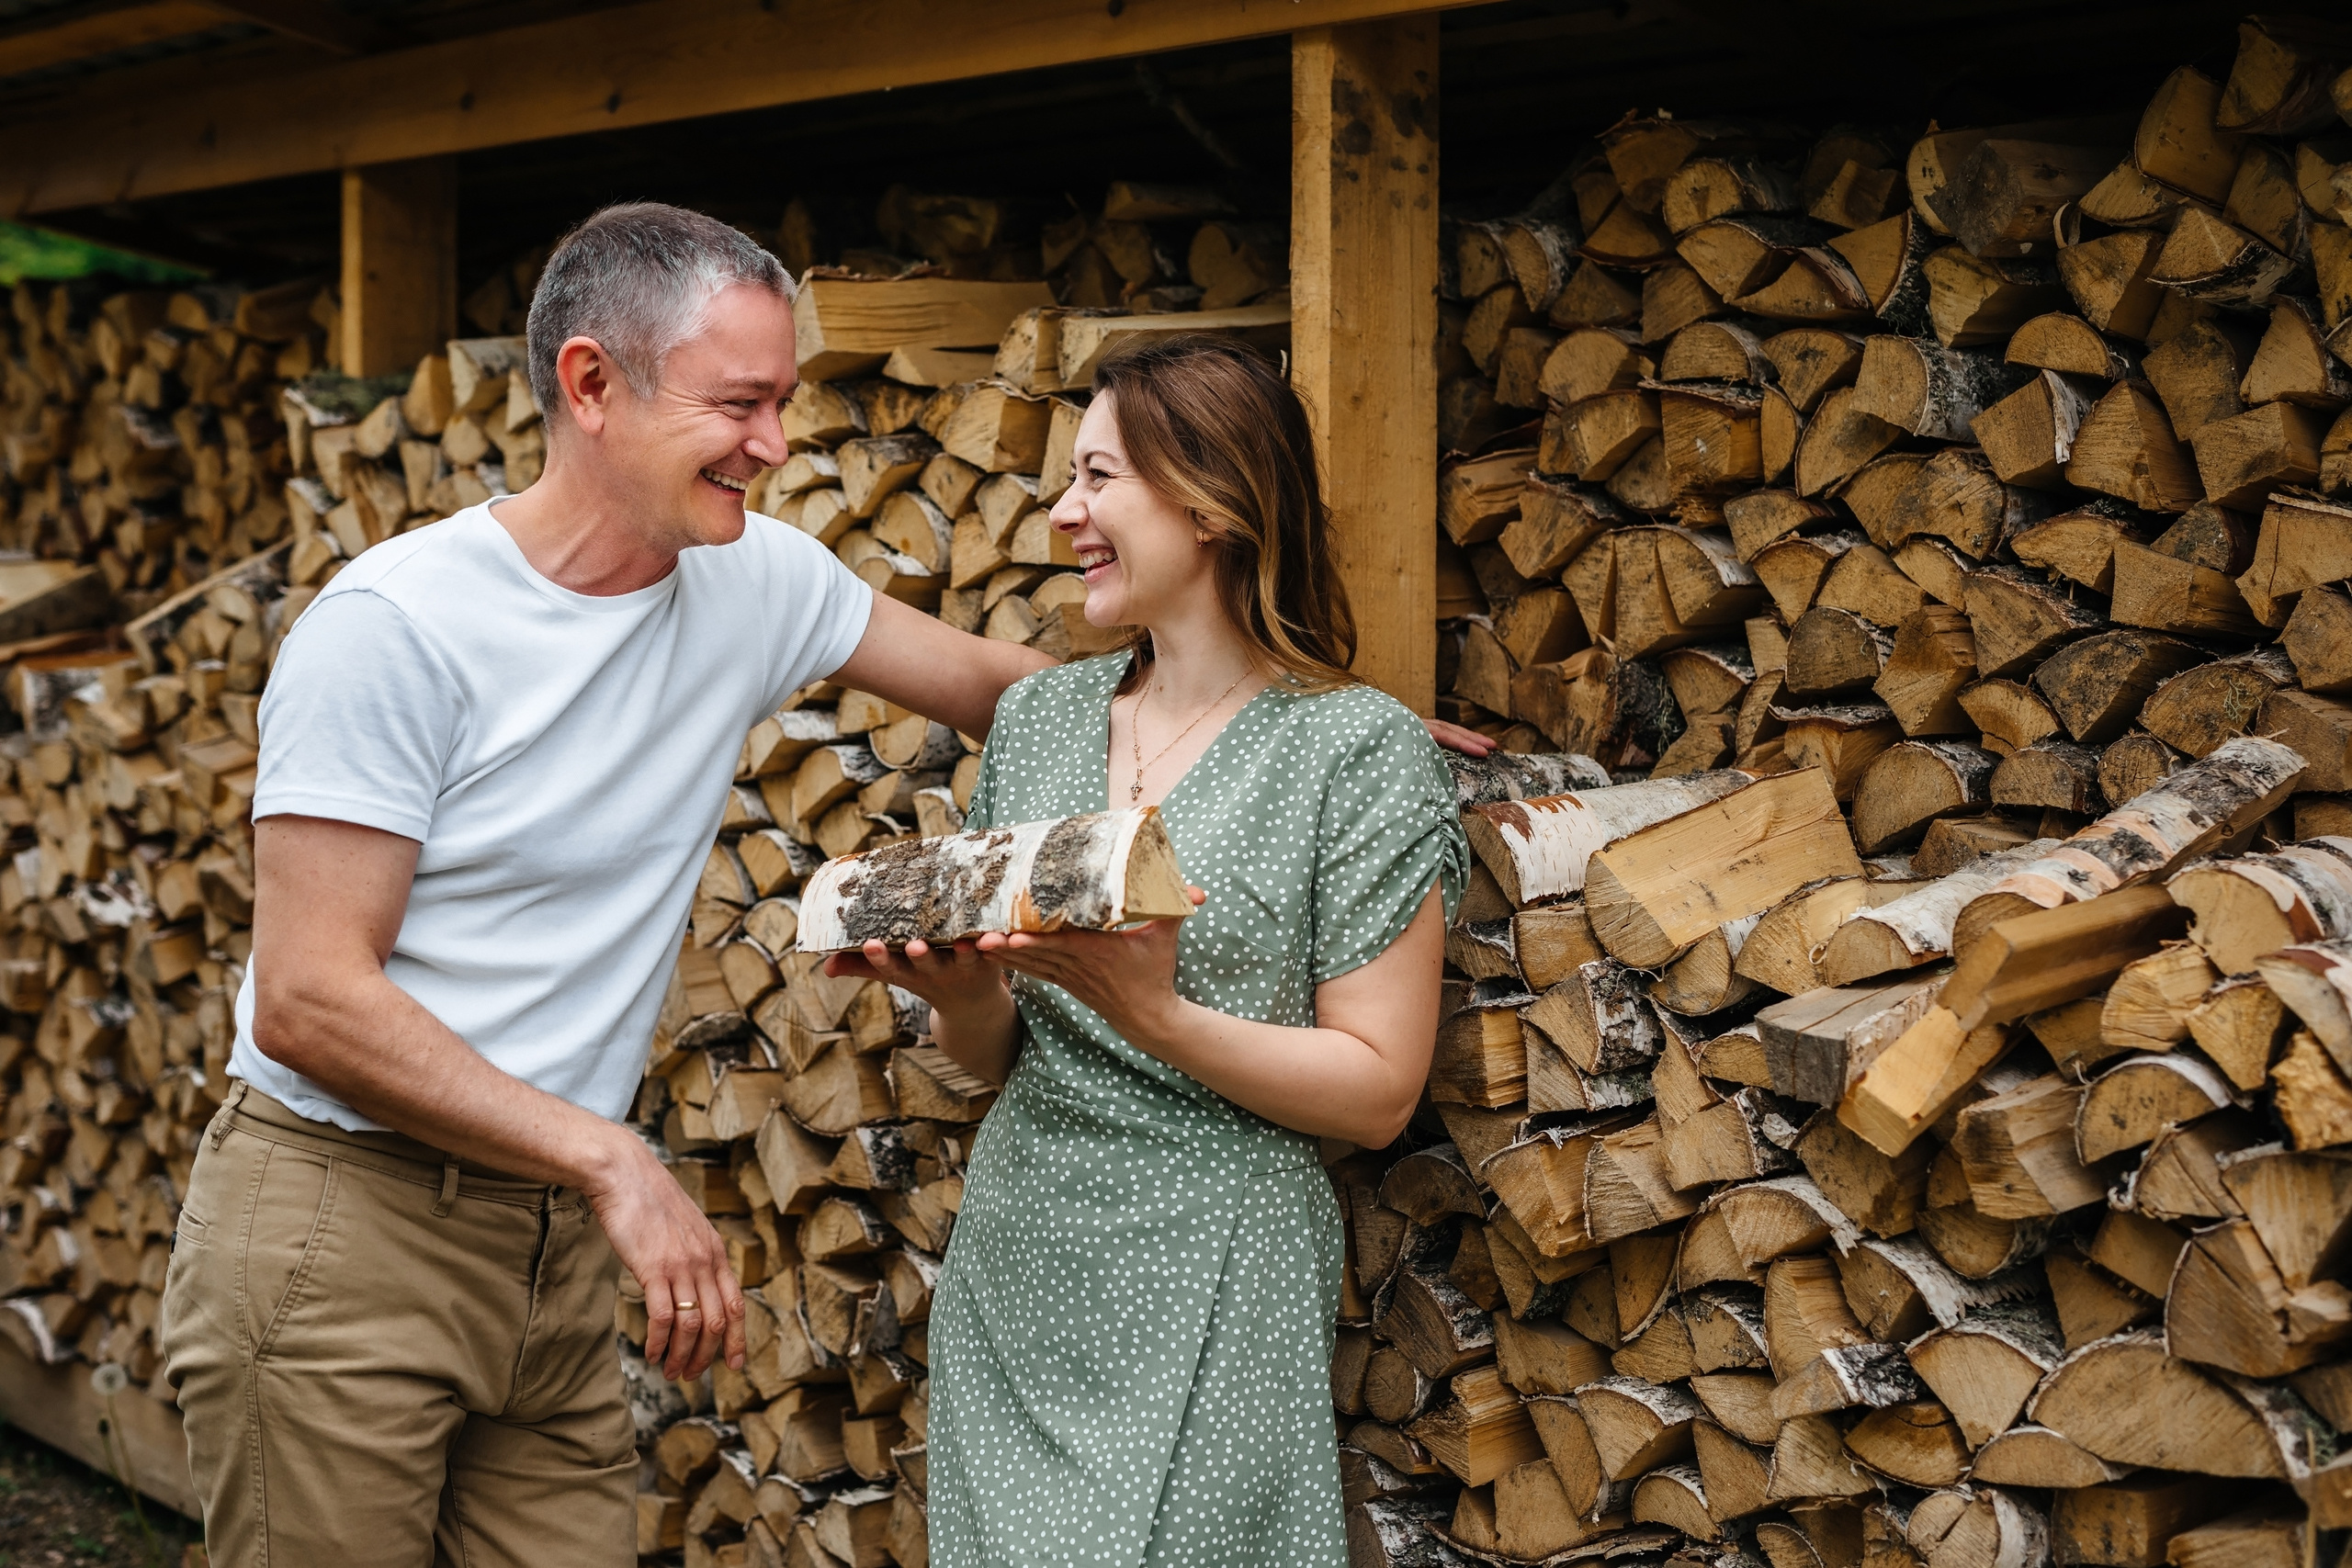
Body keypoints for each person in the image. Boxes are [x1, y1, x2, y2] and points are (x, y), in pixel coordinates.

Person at [155, 203, 1061, 1566]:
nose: (776, 443)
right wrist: (608, 1159)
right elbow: (306, 999)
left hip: (548, 1255)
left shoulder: (757, 580)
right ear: (591, 384)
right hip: (341, 1234)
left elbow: (1011, 691)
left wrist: (1305, 726)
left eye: (785, 401)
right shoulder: (394, 630)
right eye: (739, 403)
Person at [835, 334, 1468, 1566]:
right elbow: (999, 1055)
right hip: (1022, 1257)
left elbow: (1382, 1089)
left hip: (1216, 1265)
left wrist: (1157, 1015)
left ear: (1213, 498)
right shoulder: (1039, 718)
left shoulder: (1354, 750)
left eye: (1098, 477)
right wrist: (963, 997)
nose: (1063, 511)